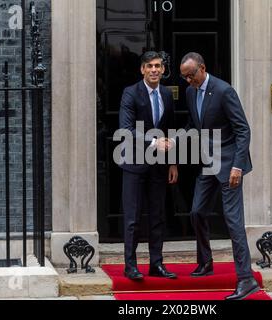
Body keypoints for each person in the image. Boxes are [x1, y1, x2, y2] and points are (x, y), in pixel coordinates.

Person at [179, 52, 260, 299]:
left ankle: (246, 280)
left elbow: (243, 130)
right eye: (184, 77)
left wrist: (237, 166)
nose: (188, 81)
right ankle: (206, 262)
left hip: (229, 166)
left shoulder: (224, 91)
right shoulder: (191, 92)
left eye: (190, 75)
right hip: (208, 163)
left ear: (202, 69)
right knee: (197, 211)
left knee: (233, 222)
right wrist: (175, 140)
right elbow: (196, 125)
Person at [119, 51, 178, 281]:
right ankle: (130, 266)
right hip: (134, 164)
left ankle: (156, 264)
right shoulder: (130, 93)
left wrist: (173, 161)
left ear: (163, 69)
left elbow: (170, 129)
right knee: (133, 218)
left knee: (157, 216)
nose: (154, 70)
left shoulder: (166, 93)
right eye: (150, 66)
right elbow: (126, 128)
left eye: (158, 66)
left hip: (159, 166)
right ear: (142, 69)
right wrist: (154, 142)